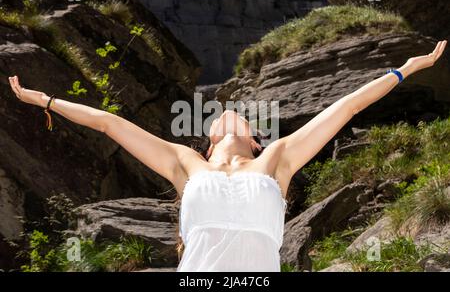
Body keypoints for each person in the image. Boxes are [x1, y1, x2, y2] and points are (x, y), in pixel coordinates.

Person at [7, 40, 447, 271]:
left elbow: (347, 105)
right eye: (220, 116)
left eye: (240, 115)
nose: (229, 114)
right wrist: (48, 102)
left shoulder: (278, 157)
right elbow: (109, 123)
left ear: (256, 139)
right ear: (210, 140)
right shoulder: (184, 163)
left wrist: (404, 70)